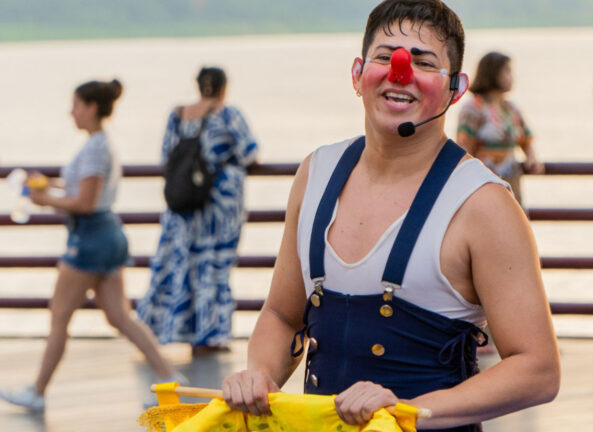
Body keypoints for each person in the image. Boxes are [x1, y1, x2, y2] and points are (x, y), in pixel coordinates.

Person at [222, 1, 560, 431]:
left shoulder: (483, 204)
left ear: (456, 89)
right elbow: (283, 314)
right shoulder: (317, 172)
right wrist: (261, 377)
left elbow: (538, 369)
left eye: (424, 63)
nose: (400, 72)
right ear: (358, 74)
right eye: (385, 57)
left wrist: (410, 409)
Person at [0, 79, 180, 412]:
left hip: (89, 239)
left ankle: (37, 392)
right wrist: (47, 184)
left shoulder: (96, 148)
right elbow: (81, 189)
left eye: (76, 105)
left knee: (59, 317)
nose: (72, 112)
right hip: (106, 235)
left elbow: (86, 201)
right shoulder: (99, 144)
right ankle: (170, 376)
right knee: (120, 318)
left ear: (92, 107)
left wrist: (44, 199)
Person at [138, 67, 259, 356]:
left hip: (183, 206)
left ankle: (160, 330)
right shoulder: (228, 115)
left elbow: (165, 156)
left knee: (179, 266)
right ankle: (209, 336)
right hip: (220, 208)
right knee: (214, 268)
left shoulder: (178, 115)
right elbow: (250, 152)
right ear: (223, 88)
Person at [456, 51, 543, 202]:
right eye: (507, 71)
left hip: (511, 181)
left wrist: (531, 157)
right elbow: (464, 147)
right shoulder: (473, 109)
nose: (512, 77)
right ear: (493, 73)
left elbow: (526, 138)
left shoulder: (511, 109)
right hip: (482, 184)